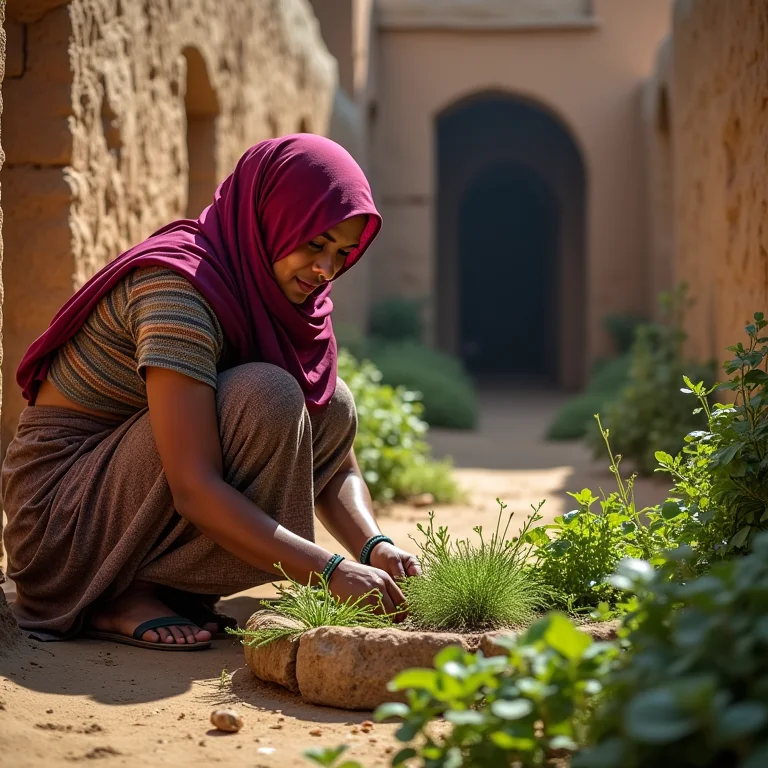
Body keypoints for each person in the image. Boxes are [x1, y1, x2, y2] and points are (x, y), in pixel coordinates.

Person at [2, 134, 420, 651]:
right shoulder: (179, 288)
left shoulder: (288, 300)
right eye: (314, 243)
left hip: (128, 492)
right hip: (61, 523)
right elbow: (193, 485)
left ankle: (167, 585)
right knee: (266, 395)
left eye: (341, 254)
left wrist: (373, 547)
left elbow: (334, 461)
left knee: (332, 404)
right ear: (270, 216)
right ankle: (121, 594)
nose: (324, 270)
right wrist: (329, 571)